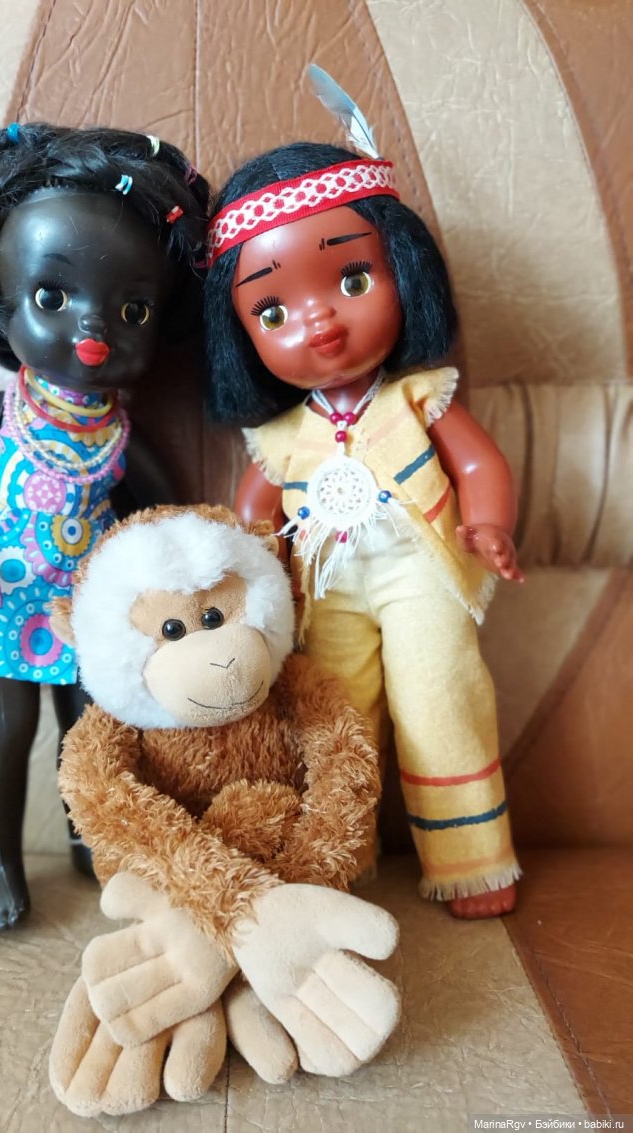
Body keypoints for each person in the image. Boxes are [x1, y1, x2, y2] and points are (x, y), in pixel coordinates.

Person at [0, 122, 209, 931]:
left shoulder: (121, 438)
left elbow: (162, 508)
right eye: (53, 298)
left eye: (130, 309)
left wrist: (177, 562)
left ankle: (93, 836)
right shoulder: (1, 414)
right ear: (1, 298)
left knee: (93, 732)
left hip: (85, 606)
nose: (93, 332)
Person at [203, 133, 522, 918]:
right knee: (334, 720)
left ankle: (474, 859)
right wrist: (255, 562)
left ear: (404, 271)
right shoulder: (282, 434)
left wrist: (489, 523)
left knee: (440, 699)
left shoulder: (418, 397)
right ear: (241, 336)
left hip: (421, 572)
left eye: (353, 279)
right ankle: (337, 858)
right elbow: (255, 509)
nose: (318, 321)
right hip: (327, 589)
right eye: (272, 310)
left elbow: (478, 464)